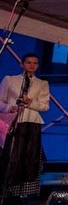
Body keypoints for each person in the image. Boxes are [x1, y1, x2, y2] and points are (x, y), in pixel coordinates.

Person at [0, 54, 50, 193]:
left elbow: (45, 106)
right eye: (28, 62)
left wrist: (30, 103)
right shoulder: (10, 80)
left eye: (35, 63)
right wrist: (9, 107)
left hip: (31, 122)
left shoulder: (42, 83)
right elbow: (0, 100)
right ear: (22, 64)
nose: (32, 65)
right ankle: (7, 190)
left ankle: (23, 192)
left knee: (29, 156)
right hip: (13, 122)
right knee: (11, 155)